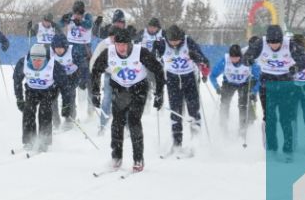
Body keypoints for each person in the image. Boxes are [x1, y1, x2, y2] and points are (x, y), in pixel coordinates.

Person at [90, 28, 165, 171]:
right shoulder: (109, 52)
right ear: (114, 44)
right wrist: (95, 92)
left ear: (129, 44)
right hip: (120, 89)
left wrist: (159, 93)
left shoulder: (140, 52)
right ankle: (116, 157)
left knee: (133, 120)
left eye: (124, 45)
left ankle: (138, 159)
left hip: (138, 89)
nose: (121, 48)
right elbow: (96, 70)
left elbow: (158, 69)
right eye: (118, 45)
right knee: (117, 123)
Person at [242, 24, 305, 161]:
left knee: (285, 118)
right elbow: (246, 57)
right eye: (271, 43)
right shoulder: (261, 43)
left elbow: (303, 61)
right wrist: (248, 60)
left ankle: (288, 150)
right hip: (267, 83)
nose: (274, 46)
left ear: (282, 40)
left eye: (277, 43)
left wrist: (295, 67)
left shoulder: (290, 44)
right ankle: (271, 149)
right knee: (270, 118)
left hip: (285, 82)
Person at [161, 24, 210, 155]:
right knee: (175, 111)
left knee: (193, 109)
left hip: (189, 79)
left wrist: (198, 59)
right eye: (171, 41)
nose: (174, 44)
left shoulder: (188, 42)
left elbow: (205, 62)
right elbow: (152, 58)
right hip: (172, 80)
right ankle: (177, 143)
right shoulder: (162, 43)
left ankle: (196, 142)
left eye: (177, 41)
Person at [13, 43, 68, 152]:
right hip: (31, 91)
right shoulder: (23, 63)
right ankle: (29, 140)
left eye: (40, 60)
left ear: (45, 59)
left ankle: (44, 140)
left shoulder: (54, 65)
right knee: (28, 111)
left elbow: (64, 86)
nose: (37, 63)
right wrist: (19, 98)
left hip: (49, 91)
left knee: (44, 110)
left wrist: (66, 104)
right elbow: (17, 80)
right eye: (34, 60)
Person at [210, 43, 260, 136]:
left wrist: (254, 91)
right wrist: (216, 87)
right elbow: (212, 75)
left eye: (236, 57)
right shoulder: (225, 61)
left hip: (244, 84)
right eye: (232, 57)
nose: (233, 60)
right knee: (224, 104)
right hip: (229, 83)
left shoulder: (248, 61)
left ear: (240, 56)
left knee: (243, 105)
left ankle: (242, 129)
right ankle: (223, 127)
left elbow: (259, 77)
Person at [61, 0, 96, 104]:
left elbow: (89, 25)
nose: (77, 16)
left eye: (80, 14)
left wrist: (80, 22)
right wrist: (63, 20)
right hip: (71, 52)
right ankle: (72, 110)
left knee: (87, 79)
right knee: (71, 82)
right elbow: (59, 24)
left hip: (85, 52)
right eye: (76, 13)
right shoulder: (70, 16)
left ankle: (91, 107)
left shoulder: (87, 16)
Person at [50, 33, 80, 128]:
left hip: (70, 78)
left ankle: (70, 119)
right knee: (52, 99)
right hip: (56, 79)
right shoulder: (50, 52)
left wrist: (76, 81)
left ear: (65, 46)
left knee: (70, 98)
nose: (58, 50)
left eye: (61, 48)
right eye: (56, 48)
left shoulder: (73, 51)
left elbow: (81, 67)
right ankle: (56, 122)